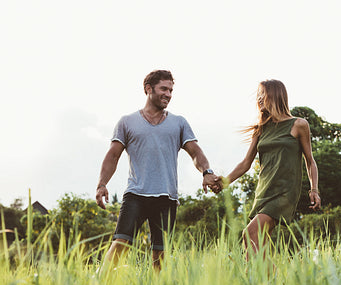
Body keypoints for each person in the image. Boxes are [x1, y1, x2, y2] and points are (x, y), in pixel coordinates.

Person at [96, 69, 220, 271]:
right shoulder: (127, 122)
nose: (168, 94)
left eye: (171, 90)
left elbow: (196, 152)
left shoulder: (179, 123)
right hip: (136, 195)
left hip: (166, 198)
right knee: (120, 244)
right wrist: (102, 184)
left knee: (160, 254)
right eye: (164, 89)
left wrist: (207, 172)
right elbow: (113, 155)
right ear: (148, 89)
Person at [219, 79, 321, 258]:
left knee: (249, 234)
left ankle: (263, 281)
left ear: (275, 96)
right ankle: (271, 283)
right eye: (258, 96)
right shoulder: (260, 129)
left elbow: (310, 161)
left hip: (284, 192)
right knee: (257, 246)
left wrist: (314, 189)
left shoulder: (298, 125)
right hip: (264, 192)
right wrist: (224, 182)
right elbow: (245, 163)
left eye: (262, 95)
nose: (259, 99)